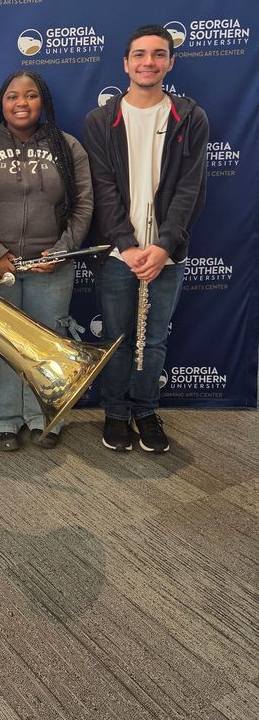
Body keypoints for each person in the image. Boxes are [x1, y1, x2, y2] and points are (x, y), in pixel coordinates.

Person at [83, 24, 209, 453]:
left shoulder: (190, 117)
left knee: (153, 340)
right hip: (119, 253)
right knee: (117, 338)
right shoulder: (101, 120)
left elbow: (191, 189)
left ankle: (146, 410)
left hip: (167, 255)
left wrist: (163, 246)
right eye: (140, 54)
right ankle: (116, 412)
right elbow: (102, 189)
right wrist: (130, 245)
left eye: (158, 54)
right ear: (126, 63)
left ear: (170, 62)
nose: (148, 62)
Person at [0, 71, 93, 449]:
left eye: (31, 95)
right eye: (13, 96)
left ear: (43, 101)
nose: (22, 103)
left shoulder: (67, 147)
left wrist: (63, 249)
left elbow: (84, 204)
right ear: (0, 103)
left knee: (48, 345)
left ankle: (44, 417)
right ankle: (2, 418)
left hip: (51, 264)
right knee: (0, 344)